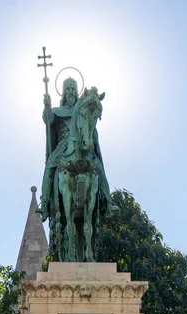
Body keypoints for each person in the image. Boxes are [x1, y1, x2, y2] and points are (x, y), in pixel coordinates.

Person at [37, 77, 118, 257]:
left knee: (98, 166)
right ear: (63, 92)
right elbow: (48, 120)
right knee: (50, 166)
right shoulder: (58, 111)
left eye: (74, 88)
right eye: (68, 89)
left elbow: (90, 124)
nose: (71, 92)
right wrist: (46, 107)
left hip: (82, 145)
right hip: (63, 146)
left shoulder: (81, 108)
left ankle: (108, 199)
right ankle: (44, 203)